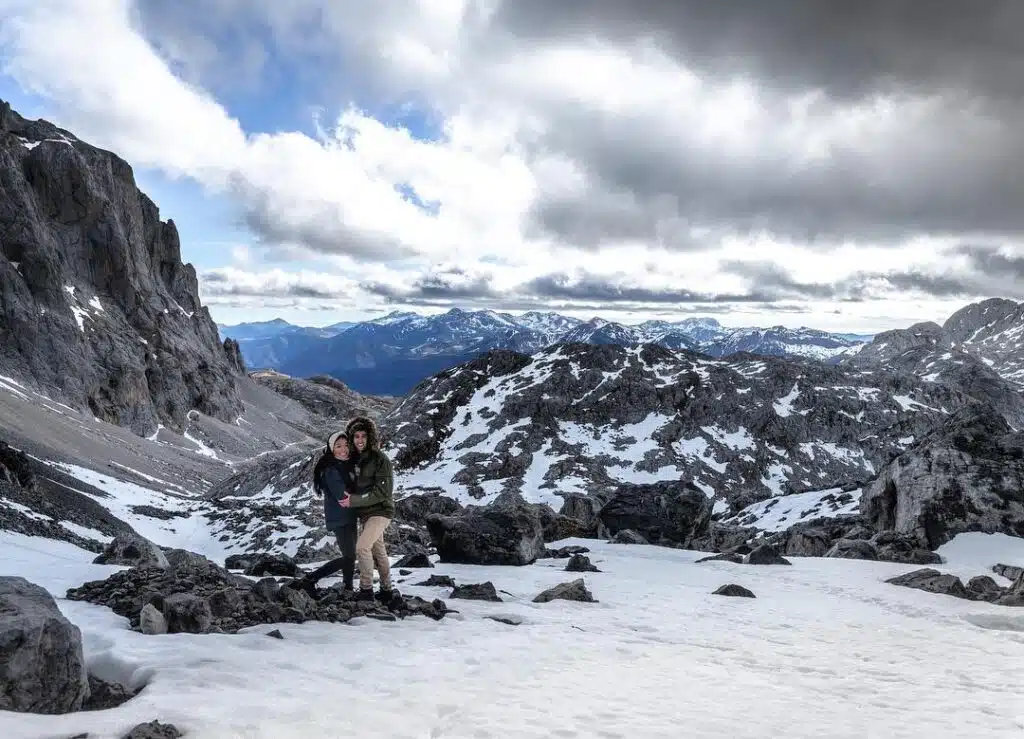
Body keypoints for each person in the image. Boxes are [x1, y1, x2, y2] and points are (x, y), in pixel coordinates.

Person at [290, 430, 359, 596]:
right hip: (340, 517)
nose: (344, 449)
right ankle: (311, 578)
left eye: (346, 445)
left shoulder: (345, 465)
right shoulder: (331, 469)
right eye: (339, 446)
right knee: (349, 557)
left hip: (350, 516)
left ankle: (348, 587)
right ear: (331, 448)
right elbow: (342, 496)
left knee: (351, 555)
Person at [339, 415, 396, 602]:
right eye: (356, 436)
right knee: (379, 552)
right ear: (351, 438)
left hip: (380, 511)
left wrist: (353, 501)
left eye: (364, 436)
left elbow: (383, 492)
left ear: (370, 437)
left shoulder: (381, 459)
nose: (360, 440)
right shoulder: (354, 460)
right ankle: (387, 590)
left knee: (362, 548)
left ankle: (366, 591)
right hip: (365, 514)